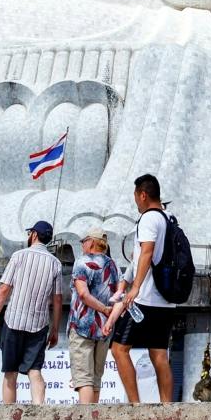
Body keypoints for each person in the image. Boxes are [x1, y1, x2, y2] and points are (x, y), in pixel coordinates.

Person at [104, 173, 177, 403]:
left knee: (119, 349)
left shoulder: (148, 219)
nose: (135, 201)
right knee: (159, 354)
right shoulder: (169, 218)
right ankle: (167, 407)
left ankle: (135, 404)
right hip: (166, 299)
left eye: (136, 196)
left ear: (143, 195)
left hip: (144, 299)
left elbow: (146, 252)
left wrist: (134, 288)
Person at [0, 221, 66, 404]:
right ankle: (38, 410)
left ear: (34, 235)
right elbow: (57, 300)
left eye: (30, 232)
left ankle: (9, 417)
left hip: (13, 320)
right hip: (39, 324)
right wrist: (54, 329)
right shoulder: (56, 263)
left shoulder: (19, 256)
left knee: (10, 374)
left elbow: (4, 289)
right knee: (35, 371)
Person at [69, 230, 122, 404]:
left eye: (83, 241)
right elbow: (120, 297)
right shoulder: (113, 265)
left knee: (84, 378)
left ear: (91, 242)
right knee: (96, 378)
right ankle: (94, 419)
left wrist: (104, 309)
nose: (82, 245)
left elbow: (83, 294)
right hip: (105, 329)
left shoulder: (82, 262)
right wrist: (110, 316)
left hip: (82, 326)